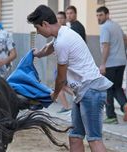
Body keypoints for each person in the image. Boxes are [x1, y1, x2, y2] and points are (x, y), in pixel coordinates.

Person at [27, 5, 112, 152]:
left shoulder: (63, 41)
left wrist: (54, 95)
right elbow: (49, 47)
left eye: (37, 28)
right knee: (75, 137)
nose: (38, 32)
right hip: (83, 92)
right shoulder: (62, 33)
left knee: (94, 140)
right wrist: (38, 54)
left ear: (45, 24)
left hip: (91, 91)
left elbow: (61, 77)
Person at [96, 6, 127, 124]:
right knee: (117, 87)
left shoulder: (105, 27)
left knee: (108, 88)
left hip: (110, 63)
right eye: (97, 15)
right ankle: (125, 105)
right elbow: (126, 39)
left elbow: (106, 46)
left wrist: (103, 64)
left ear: (107, 15)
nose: (98, 18)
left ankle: (111, 116)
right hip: (121, 61)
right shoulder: (116, 25)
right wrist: (122, 52)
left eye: (101, 15)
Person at [56, 11, 73, 113]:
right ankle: (66, 107)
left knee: (61, 85)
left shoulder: (67, 31)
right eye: (57, 18)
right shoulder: (58, 31)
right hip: (60, 61)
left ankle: (67, 106)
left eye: (61, 18)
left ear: (65, 19)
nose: (59, 20)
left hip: (66, 62)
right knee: (61, 86)